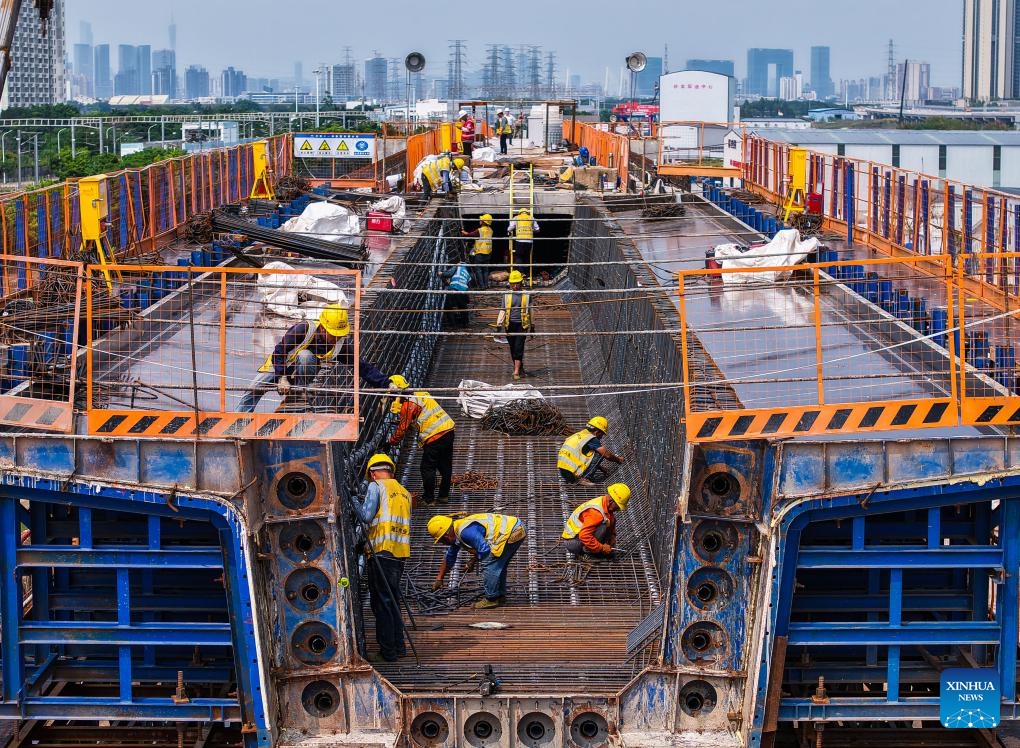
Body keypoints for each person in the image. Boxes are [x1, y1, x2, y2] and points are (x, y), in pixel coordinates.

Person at [238, 305, 388, 413]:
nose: (336, 339)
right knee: (253, 390)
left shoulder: (340, 346)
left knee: (306, 357)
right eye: (333, 334)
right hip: (280, 365)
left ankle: (299, 392)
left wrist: (386, 384)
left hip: (303, 373)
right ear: (323, 328)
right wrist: (281, 377)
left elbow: (361, 366)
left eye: (339, 335)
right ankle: (240, 422)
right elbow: (279, 351)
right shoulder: (304, 329)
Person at [354, 453, 411, 663]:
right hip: (399, 553)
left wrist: (353, 502)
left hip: (381, 551)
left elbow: (366, 516)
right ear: (390, 470)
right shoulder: (404, 492)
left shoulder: (376, 487)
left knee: (382, 604)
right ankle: (399, 648)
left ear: (373, 473)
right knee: (393, 601)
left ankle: (387, 652)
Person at [428, 513, 526, 609]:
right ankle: (500, 595)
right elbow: (450, 556)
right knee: (499, 564)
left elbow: (484, 550)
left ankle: (491, 599)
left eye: (441, 541)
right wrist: (439, 578)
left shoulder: (465, 532)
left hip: (512, 531)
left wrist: (472, 561)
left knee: (489, 562)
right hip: (516, 528)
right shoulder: (456, 531)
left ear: (446, 536)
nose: (443, 544)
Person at [388, 374, 456, 506]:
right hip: (448, 430)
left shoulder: (408, 405)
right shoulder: (421, 393)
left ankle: (428, 499)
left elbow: (402, 431)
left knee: (427, 468)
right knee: (445, 466)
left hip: (434, 437)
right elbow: (423, 415)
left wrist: (390, 442)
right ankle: (443, 496)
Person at [561, 483, 631, 559]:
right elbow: (584, 536)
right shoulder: (596, 513)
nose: (619, 509)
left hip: (578, 537)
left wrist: (612, 536)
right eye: (618, 506)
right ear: (611, 501)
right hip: (572, 542)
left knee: (608, 521)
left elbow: (611, 519)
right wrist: (602, 548)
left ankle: (594, 548)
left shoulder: (604, 502)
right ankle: (588, 552)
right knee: (603, 526)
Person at [558, 416, 626, 486]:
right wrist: (618, 460)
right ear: (597, 432)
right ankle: (586, 478)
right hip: (571, 472)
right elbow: (607, 455)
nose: (601, 437)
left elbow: (583, 458)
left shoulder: (580, 434)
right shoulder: (591, 438)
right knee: (600, 453)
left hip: (564, 472)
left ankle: (578, 478)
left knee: (592, 451)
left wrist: (601, 468)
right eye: (601, 434)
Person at [498, 270, 533, 381]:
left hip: (522, 325)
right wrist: (499, 325)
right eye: (513, 283)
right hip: (509, 325)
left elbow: (531, 311)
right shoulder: (507, 295)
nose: (515, 285)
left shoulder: (527, 295)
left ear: (521, 283)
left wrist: (532, 326)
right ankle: (519, 367)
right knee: (513, 348)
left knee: (519, 347)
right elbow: (503, 310)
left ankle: (516, 371)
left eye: (517, 283)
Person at [461, 213, 493, 290]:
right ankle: (486, 285)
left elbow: (469, 235)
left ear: (484, 222)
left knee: (478, 270)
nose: (480, 220)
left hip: (480, 253)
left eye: (481, 220)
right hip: (488, 253)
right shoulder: (491, 230)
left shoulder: (480, 230)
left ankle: (481, 286)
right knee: (485, 270)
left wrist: (463, 232)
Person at [442, 261, 472, 328]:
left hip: (452, 288)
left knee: (448, 308)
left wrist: (441, 273)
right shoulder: (468, 274)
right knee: (463, 307)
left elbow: (448, 274)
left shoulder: (456, 267)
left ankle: (453, 325)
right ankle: (465, 323)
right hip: (462, 290)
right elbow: (468, 285)